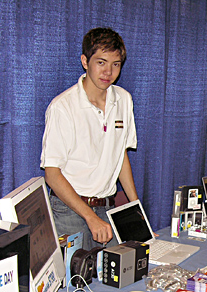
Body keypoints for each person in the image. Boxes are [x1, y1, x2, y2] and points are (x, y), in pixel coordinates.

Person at [40, 27, 139, 250]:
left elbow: (120, 155)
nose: (108, 72)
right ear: (85, 61)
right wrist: (90, 217)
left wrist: (134, 208)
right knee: (76, 279)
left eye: (116, 64)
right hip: (68, 208)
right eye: (101, 62)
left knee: (119, 274)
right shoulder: (63, 107)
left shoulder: (124, 100)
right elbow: (52, 174)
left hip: (107, 205)